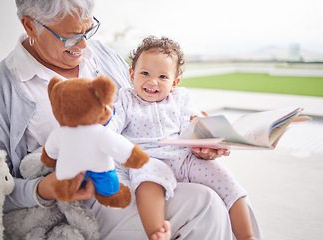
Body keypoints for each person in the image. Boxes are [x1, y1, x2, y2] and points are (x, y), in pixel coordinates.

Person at [0, 0, 249, 239]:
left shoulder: (100, 53)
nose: (83, 44)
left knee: (232, 196)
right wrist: (43, 189)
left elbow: (147, 107)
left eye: (88, 29)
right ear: (30, 26)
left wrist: (196, 136)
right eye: (70, 36)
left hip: (141, 168)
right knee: (206, 205)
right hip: (85, 200)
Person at [109, 36, 261, 240]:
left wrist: (202, 128)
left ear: (174, 82)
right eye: (145, 73)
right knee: (148, 184)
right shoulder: (126, 98)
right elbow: (113, 123)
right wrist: (102, 131)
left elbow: (190, 122)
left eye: (163, 77)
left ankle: (247, 236)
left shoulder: (180, 98)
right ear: (132, 74)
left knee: (228, 183)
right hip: (149, 159)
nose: (152, 81)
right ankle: (156, 232)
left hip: (185, 159)